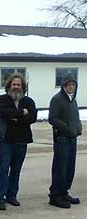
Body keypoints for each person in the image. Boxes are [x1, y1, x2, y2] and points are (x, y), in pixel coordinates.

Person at [0, 73, 37, 211]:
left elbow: (33, 117)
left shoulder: (29, 101)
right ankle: (0, 198)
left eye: (18, 84)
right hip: (6, 140)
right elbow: (3, 112)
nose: (16, 87)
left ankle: (12, 196)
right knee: (3, 169)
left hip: (22, 141)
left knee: (16, 170)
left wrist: (15, 117)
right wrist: (22, 113)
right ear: (9, 86)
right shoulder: (2, 99)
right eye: (13, 84)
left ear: (23, 87)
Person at [48, 74, 82, 208]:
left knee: (69, 168)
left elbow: (76, 116)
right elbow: (53, 118)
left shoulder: (73, 100)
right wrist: (67, 129)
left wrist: (78, 127)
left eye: (73, 85)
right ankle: (55, 195)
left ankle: (64, 192)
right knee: (60, 168)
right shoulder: (57, 99)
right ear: (64, 86)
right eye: (68, 85)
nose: (71, 87)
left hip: (72, 139)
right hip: (62, 139)